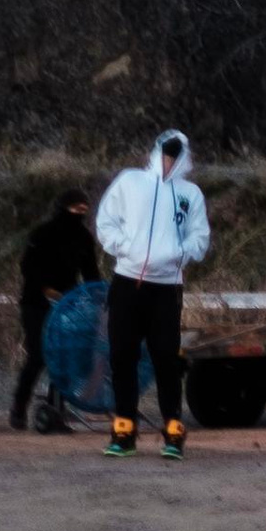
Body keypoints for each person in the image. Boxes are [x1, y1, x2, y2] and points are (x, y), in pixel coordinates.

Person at [93, 128, 210, 458]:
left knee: (166, 359)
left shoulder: (190, 194)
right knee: (122, 356)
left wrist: (180, 253)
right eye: (166, 154)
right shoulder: (130, 182)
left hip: (167, 287)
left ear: (183, 159)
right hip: (127, 281)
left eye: (175, 156)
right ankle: (124, 429)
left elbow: (200, 237)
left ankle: (173, 429)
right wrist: (124, 247)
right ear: (157, 152)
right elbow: (105, 222)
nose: (169, 161)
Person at [11, 192, 97, 433]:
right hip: (35, 303)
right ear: (62, 208)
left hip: (68, 304)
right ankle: (19, 406)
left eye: (84, 209)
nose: (79, 214)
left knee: (66, 356)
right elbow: (27, 266)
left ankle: (54, 411)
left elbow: (91, 272)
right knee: (38, 356)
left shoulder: (84, 237)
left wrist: (94, 298)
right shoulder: (42, 233)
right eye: (75, 208)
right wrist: (46, 289)